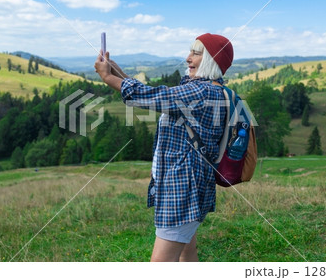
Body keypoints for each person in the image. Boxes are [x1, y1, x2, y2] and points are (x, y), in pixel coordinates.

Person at [94, 33, 234, 262]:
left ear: (211, 59)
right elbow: (157, 95)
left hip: (183, 190)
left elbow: (151, 96)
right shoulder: (207, 89)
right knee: (187, 258)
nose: (188, 58)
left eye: (196, 53)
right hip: (189, 187)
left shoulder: (201, 92)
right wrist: (116, 70)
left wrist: (108, 78)